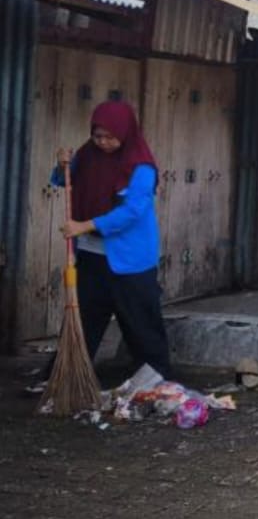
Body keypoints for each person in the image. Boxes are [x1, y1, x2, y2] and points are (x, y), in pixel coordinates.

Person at [51, 101, 173, 381]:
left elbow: (133, 211)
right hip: (92, 254)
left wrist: (86, 225)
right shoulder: (87, 155)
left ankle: (156, 376)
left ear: (125, 132)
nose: (103, 142)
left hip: (130, 259)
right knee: (85, 320)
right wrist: (61, 166)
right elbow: (62, 180)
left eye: (110, 136)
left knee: (140, 321)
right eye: (97, 136)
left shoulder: (141, 166)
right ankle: (67, 374)